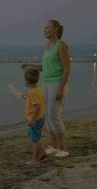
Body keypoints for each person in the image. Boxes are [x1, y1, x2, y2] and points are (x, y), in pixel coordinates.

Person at [22, 19, 71, 158]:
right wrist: (31, 66)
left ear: (56, 29)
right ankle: (54, 146)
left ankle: (64, 148)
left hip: (57, 84)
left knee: (54, 115)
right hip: (46, 83)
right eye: (44, 28)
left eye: (48, 27)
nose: (45, 30)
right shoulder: (47, 46)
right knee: (48, 116)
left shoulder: (61, 45)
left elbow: (67, 69)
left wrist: (61, 89)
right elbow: (45, 68)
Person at [23, 68, 46, 165]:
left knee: (35, 140)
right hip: (40, 117)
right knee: (34, 136)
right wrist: (26, 97)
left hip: (35, 119)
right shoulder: (37, 90)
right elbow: (36, 101)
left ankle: (35, 160)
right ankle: (42, 153)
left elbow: (37, 106)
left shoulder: (32, 93)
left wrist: (32, 119)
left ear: (27, 81)